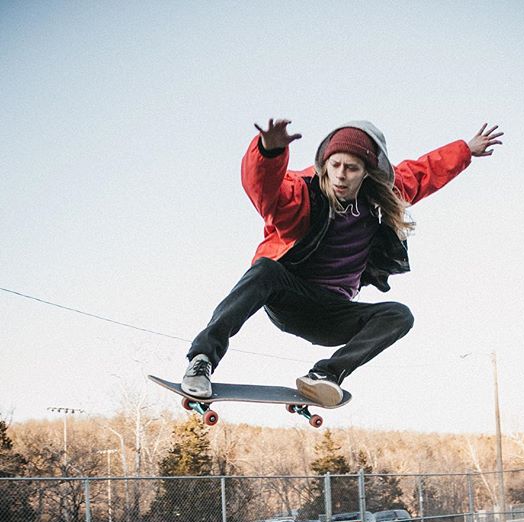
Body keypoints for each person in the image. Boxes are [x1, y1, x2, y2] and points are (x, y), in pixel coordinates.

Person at [182, 118, 503, 406]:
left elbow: (424, 172)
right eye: (335, 165)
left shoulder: (382, 197)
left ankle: (325, 375)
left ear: (367, 172)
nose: (341, 175)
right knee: (265, 269)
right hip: (290, 298)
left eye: (351, 168)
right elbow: (264, 191)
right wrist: (268, 153)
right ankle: (202, 359)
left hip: (332, 315)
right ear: (325, 164)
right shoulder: (303, 193)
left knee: (399, 315)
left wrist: (466, 150)